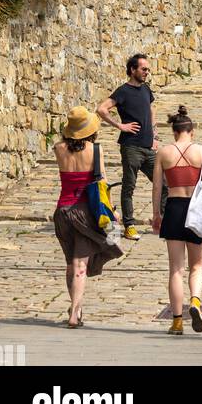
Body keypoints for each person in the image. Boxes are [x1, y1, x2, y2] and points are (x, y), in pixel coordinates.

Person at [53, 106, 123, 328]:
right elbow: (101, 183)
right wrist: (112, 210)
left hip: (63, 211)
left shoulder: (58, 148)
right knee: (80, 264)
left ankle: (76, 307)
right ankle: (75, 312)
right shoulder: (95, 150)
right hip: (84, 212)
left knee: (70, 263)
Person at [152, 104, 202, 336]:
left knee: (175, 269)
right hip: (196, 210)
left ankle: (177, 322)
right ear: (192, 131)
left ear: (174, 131)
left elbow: (158, 186)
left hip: (174, 208)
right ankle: (196, 302)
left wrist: (156, 214)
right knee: (197, 265)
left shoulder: (164, 153)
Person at [97, 53, 166, 240]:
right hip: (131, 147)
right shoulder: (123, 91)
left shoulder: (146, 89)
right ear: (132, 70)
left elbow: (151, 110)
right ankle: (129, 226)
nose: (147, 72)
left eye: (148, 69)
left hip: (148, 147)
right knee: (129, 187)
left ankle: (163, 221)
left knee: (164, 184)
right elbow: (101, 109)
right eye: (144, 69)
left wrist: (155, 134)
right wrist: (120, 126)